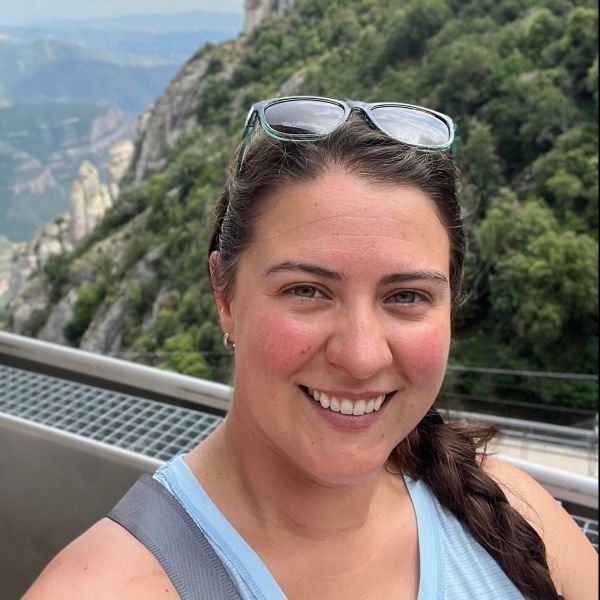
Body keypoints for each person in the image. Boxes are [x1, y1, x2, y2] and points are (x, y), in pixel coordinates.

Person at [24, 97, 597, 599]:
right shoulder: (102, 588)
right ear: (225, 295)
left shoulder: (510, 512)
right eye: (307, 291)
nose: (362, 356)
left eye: (406, 296)